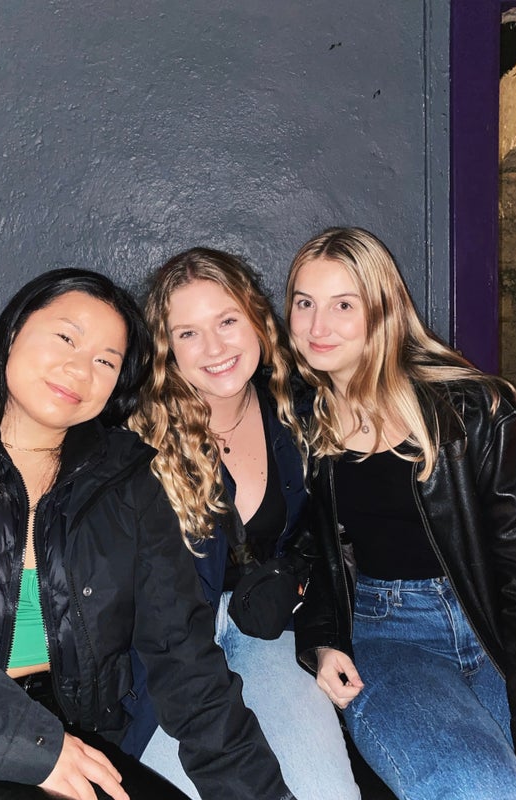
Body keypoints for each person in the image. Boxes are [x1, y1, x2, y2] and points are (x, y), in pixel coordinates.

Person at [0, 267, 298, 800]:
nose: (80, 369)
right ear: (13, 331)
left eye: (105, 361)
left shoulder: (128, 481)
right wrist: (29, 744)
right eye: (66, 338)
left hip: (78, 741)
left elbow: (183, 659)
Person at [284, 226, 516, 800]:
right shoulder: (296, 424)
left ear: (383, 311)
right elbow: (308, 555)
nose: (318, 327)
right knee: (478, 788)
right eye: (304, 303)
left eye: (343, 305)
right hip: (390, 635)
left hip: (498, 623)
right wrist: (321, 640)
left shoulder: (476, 410)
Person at [126, 247, 360, 800]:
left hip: (266, 629)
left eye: (227, 321)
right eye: (188, 333)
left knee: (327, 793)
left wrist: (323, 639)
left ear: (256, 319)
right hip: (166, 651)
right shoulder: (135, 436)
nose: (214, 348)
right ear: (166, 348)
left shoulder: (298, 410)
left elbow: (324, 540)